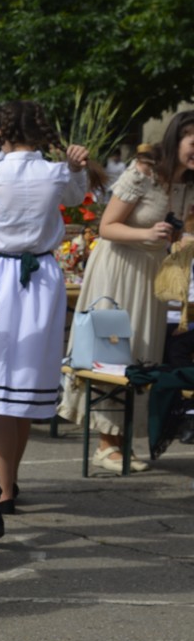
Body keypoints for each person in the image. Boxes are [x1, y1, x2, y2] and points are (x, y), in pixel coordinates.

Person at [58, 111, 194, 472]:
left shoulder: (187, 183)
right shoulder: (142, 172)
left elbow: (174, 229)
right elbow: (107, 226)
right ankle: (106, 444)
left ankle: (121, 439)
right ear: (177, 139)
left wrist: (179, 239)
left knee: (141, 354)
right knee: (114, 352)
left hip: (151, 273)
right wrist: (147, 234)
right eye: (193, 142)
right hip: (119, 269)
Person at [0, 101, 88, 509]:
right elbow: (78, 193)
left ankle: (3, 489)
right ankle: (9, 481)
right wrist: (75, 166)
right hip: (41, 278)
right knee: (22, 388)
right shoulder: (54, 172)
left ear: (3, 130)